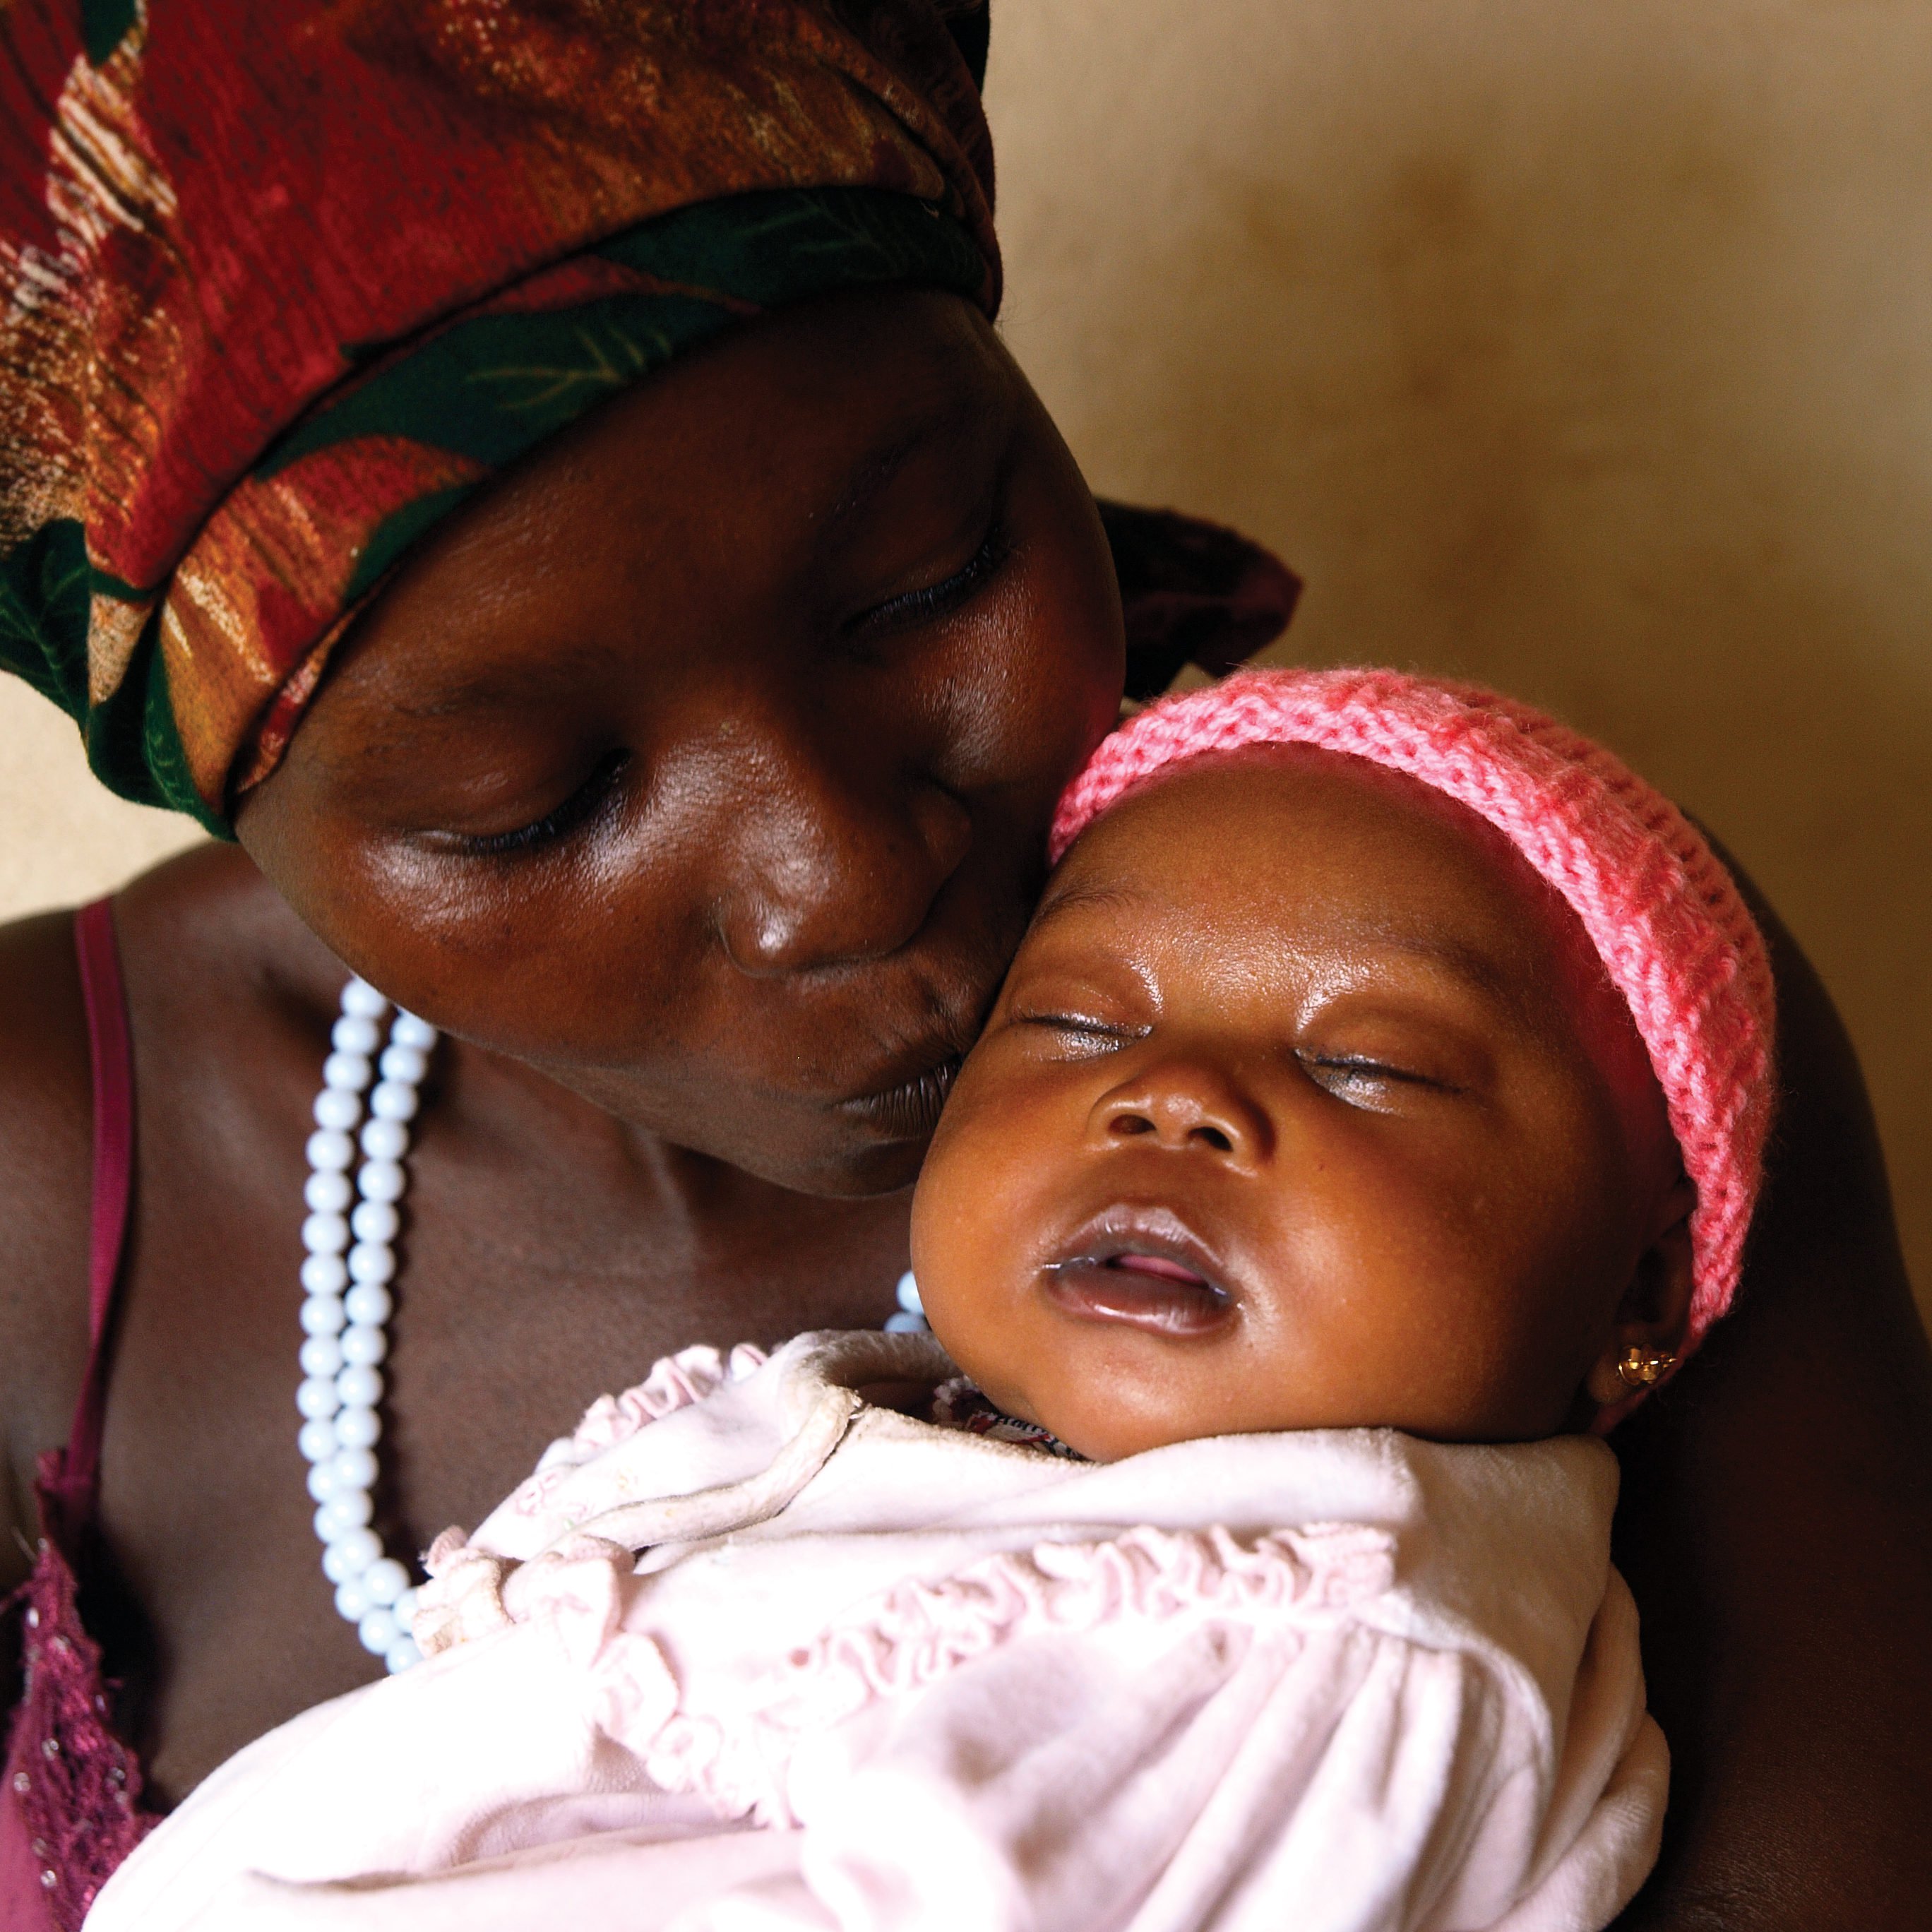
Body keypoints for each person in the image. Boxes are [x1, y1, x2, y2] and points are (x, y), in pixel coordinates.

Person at [0, 4, 1926, 1930]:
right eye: (532, 803)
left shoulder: (1546, 982)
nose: (839, 876)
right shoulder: (42, 1161)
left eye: (926, 581)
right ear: (252, 814)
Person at [85, 668, 1777, 1932]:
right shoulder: (983, 1468)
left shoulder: (1340, 1652)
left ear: (1635, 1283)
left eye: (1368, 1061)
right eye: (1079, 1027)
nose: (1169, 1100)